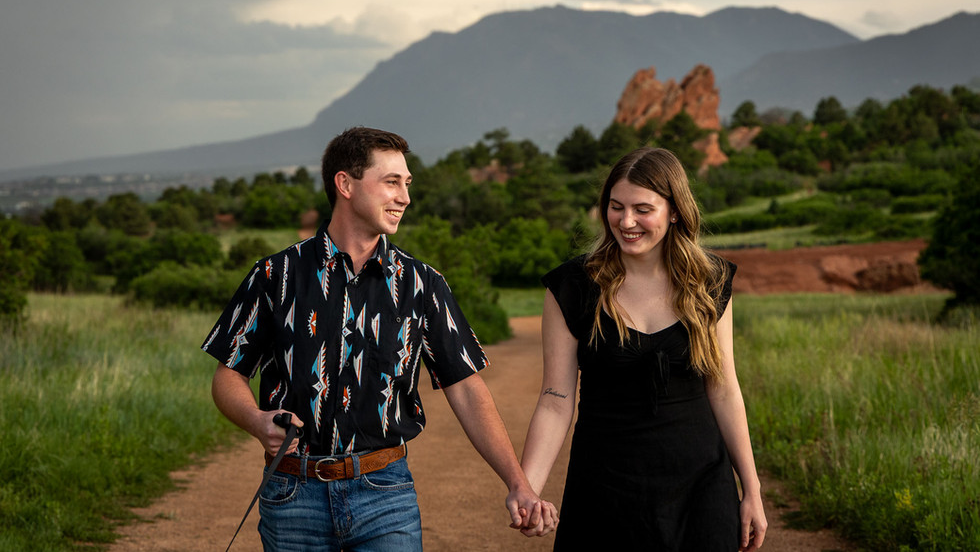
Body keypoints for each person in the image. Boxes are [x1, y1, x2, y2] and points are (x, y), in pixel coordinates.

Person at [202, 126, 556, 551]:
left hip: (385, 494)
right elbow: (227, 377)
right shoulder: (275, 276)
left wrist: (518, 483)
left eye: (407, 183)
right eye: (391, 182)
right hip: (292, 493)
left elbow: (466, 390)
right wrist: (257, 421)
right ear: (345, 184)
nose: (405, 197)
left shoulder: (422, 284)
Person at [519, 147, 767, 550]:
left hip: (701, 486)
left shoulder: (710, 282)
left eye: (642, 209)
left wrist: (752, 491)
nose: (626, 221)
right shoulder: (573, 287)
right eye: (616, 207)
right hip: (605, 485)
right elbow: (555, 398)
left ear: (674, 211)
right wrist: (527, 487)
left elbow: (723, 389)